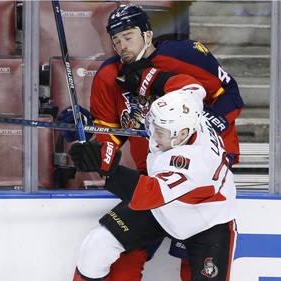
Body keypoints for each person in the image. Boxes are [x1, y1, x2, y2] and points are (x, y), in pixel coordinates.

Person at [57, 3, 244, 280]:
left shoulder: (186, 55)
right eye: (116, 40)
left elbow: (229, 93)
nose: (122, 45)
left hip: (197, 184)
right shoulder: (109, 75)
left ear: (147, 34)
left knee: (194, 256)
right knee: (110, 253)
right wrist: (91, 140)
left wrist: (213, 122)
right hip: (155, 174)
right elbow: (112, 134)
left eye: (128, 36)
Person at [68, 79, 237, 280]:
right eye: (154, 126)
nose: (153, 136)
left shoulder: (195, 162)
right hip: (162, 207)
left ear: (182, 134)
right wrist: (154, 78)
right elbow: (192, 86)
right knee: (97, 245)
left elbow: (149, 194)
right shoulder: (189, 107)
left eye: (160, 132)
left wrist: (106, 166)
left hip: (206, 222)